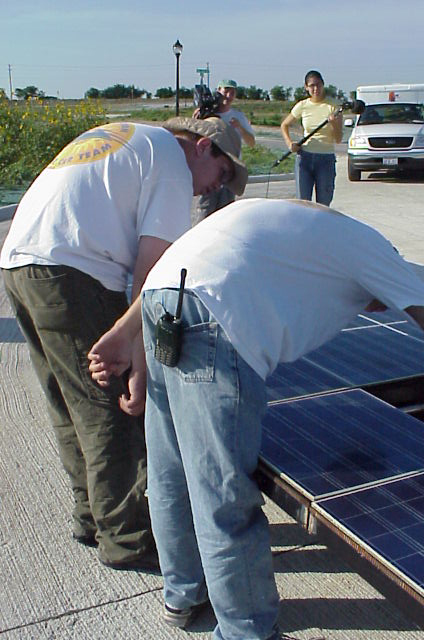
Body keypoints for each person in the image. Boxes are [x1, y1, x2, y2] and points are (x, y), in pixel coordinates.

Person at [88, 198, 424, 638]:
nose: (375, 309)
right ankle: (246, 629)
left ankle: (183, 594)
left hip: (164, 299)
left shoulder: (307, 221)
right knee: (222, 491)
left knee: (170, 471)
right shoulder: (375, 252)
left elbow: (175, 270)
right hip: (217, 318)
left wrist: (124, 331)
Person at [0, 116, 247, 572]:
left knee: (69, 403)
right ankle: (126, 537)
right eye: (223, 173)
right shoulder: (172, 161)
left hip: (20, 265)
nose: (216, 188)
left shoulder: (129, 137)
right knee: (108, 409)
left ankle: (91, 516)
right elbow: (150, 275)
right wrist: (137, 354)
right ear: (203, 147)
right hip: (73, 273)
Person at [194, 79, 255, 224]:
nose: (228, 95)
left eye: (232, 92)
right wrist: (196, 119)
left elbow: (251, 142)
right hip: (209, 171)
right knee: (205, 214)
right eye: (226, 91)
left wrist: (239, 127)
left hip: (230, 171)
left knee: (226, 216)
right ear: (218, 91)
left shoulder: (238, 116)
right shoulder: (207, 114)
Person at [281, 70, 343, 205]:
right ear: (306, 87)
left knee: (323, 204)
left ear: (323, 85)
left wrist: (334, 124)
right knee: (303, 204)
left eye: (318, 85)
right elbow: (284, 125)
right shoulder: (302, 106)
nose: (316, 89)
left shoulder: (334, 106)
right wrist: (290, 143)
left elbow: (338, 139)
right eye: (312, 86)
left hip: (325, 159)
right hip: (305, 158)